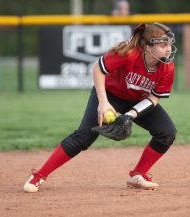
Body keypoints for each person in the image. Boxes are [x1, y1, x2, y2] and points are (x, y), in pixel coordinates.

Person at [23, 22, 177, 192]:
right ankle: (38, 176)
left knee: (167, 132)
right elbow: (98, 68)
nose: (168, 49)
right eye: (163, 45)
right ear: (148, 46)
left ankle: (138, 174)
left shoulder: (167, 67)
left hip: (137, 100)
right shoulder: (130, 53)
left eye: (169, 45)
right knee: (83, 137)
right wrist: (103, 102)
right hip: (109, 94)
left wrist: (130, 115)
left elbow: (154, 98)